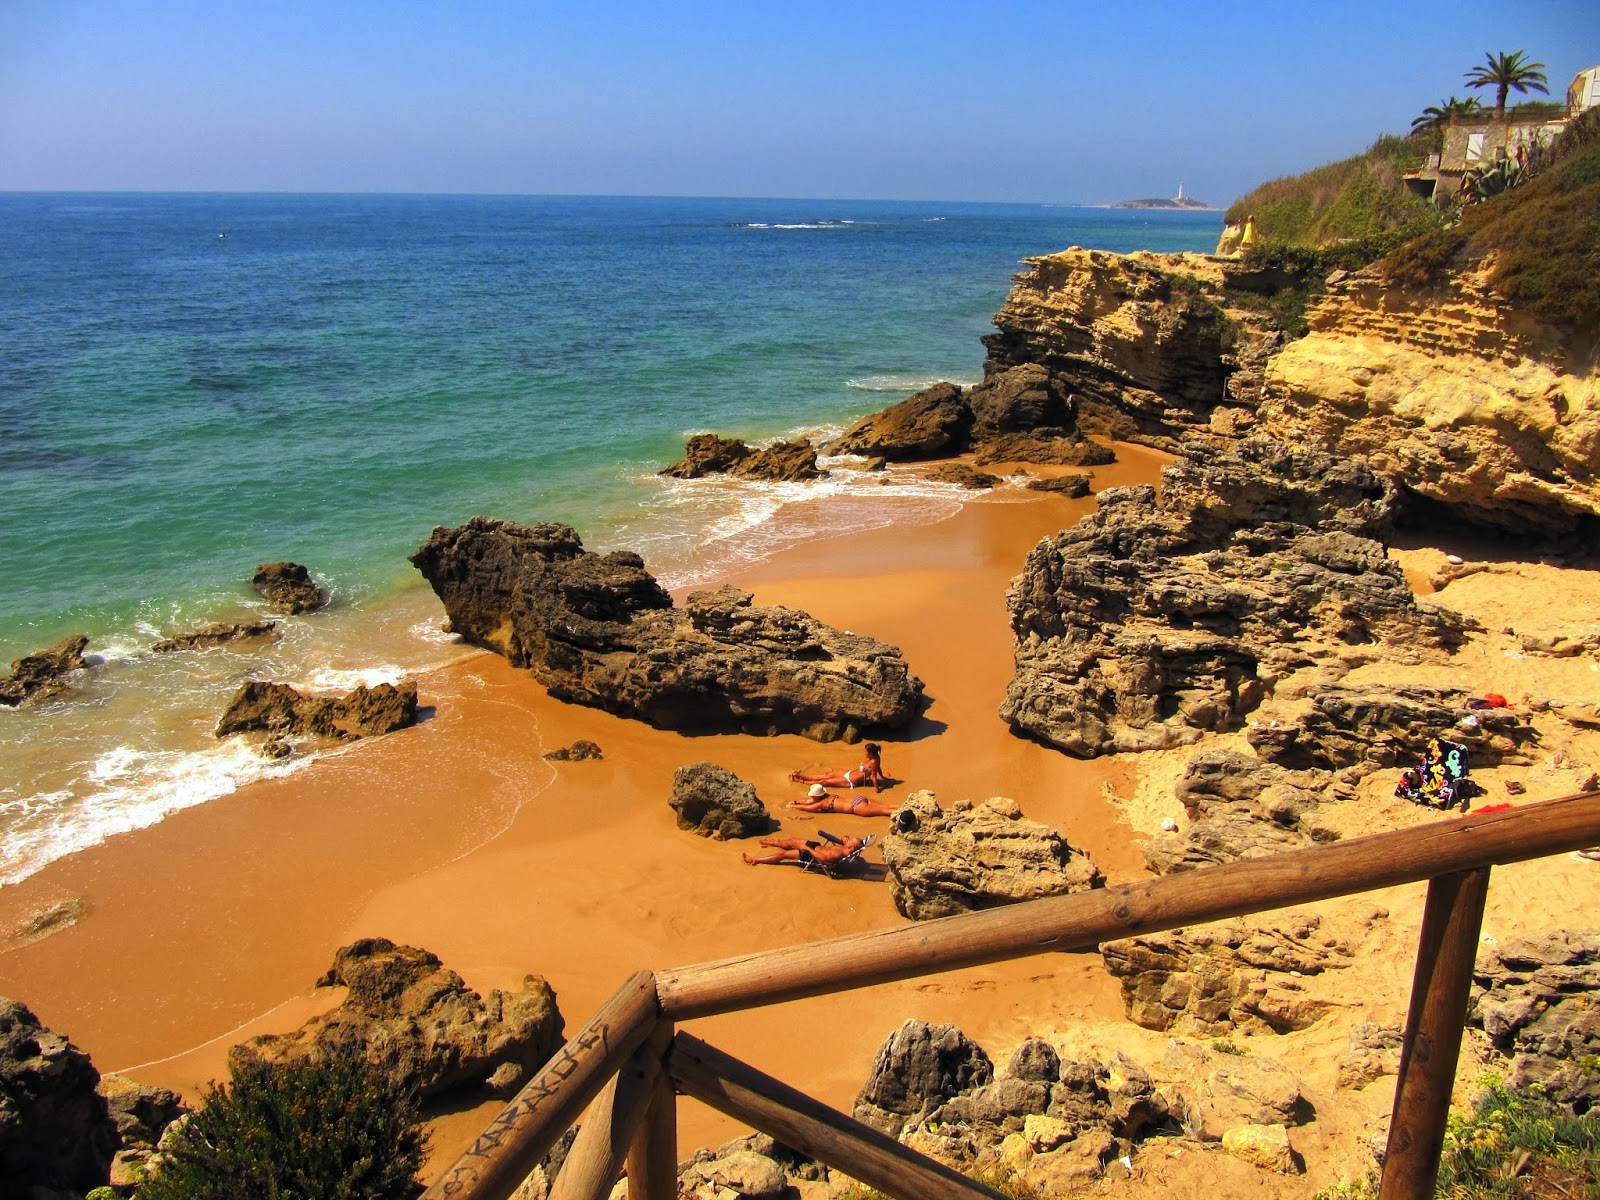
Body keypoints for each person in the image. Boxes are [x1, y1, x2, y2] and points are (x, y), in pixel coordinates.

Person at [788, 742, 885, 792]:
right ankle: (801, 775)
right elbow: (878, 768)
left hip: (850, 781)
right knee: (827, 775)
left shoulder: (873, 763)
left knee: (824, 782)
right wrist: (883, 777)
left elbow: (874, 776)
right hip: (849, 773)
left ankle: (800, 780)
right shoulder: (876, 758)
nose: (864, 753)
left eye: (866, 752)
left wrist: (877, 789)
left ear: (871, 753)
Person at [742, 833, 869, 867]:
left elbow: (823, 859)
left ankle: (756, 860)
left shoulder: (839, 853)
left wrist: (807, 848)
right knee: (792, 841)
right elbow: (844, 841)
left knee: (783, 854)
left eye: (852, 840)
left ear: (852, 847)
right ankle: (776, 843)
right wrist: (844, 839)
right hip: (816, 847)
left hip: (812, 855)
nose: (850, 839)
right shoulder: (848, 848)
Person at [788, 784, 897, 816]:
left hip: (857, 807)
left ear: (816, 796)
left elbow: (809, 808)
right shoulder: (827, 796)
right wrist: (797, 801)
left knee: (885, 812)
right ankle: (905, 807)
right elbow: (808, 802)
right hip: (859, 799)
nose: (811, 797)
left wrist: (794, 806)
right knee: (886, 806)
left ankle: (905, 813)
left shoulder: (822, 803)